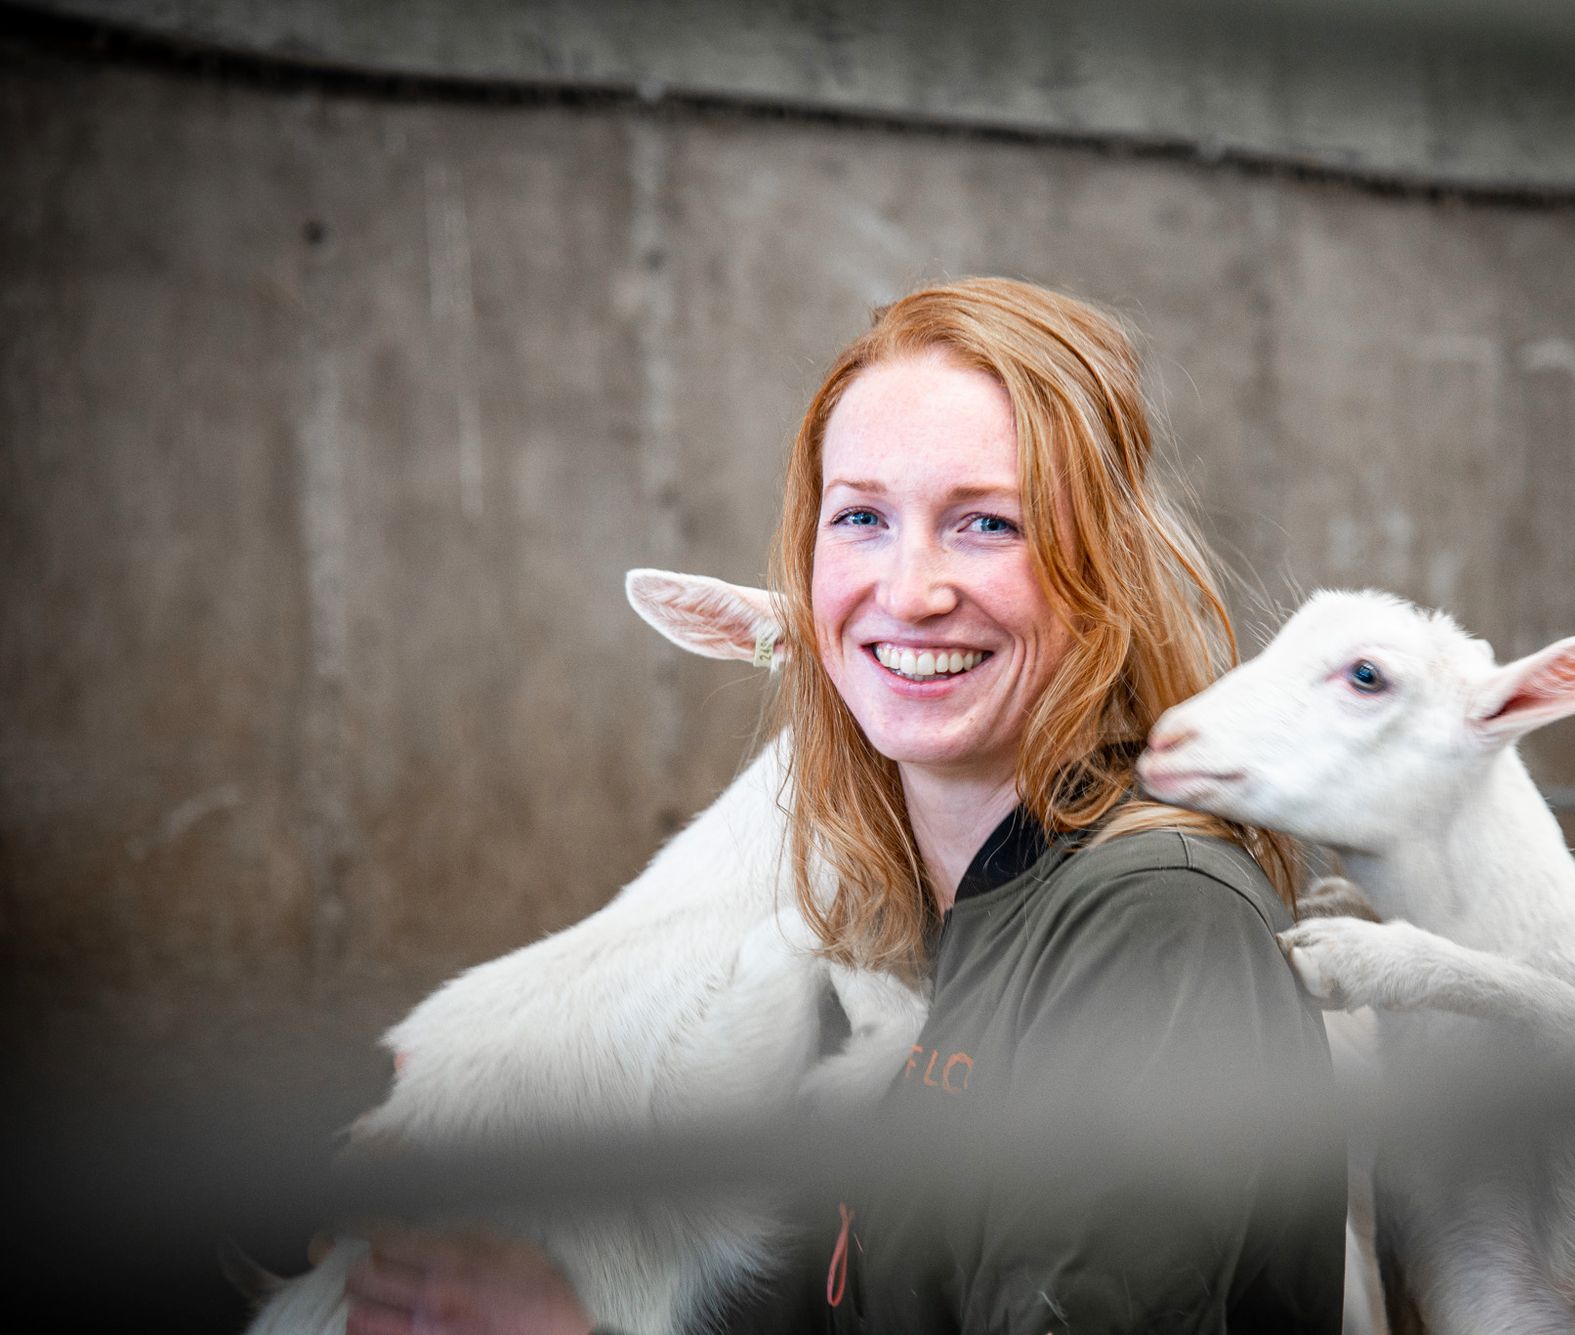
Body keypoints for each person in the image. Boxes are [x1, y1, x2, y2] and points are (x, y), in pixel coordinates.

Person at [346, 278, 1345, 1334]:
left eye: (987, 523)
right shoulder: (922, 931)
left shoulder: (1152, 923)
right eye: (861, 516)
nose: (909, 591)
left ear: (1101, 570)